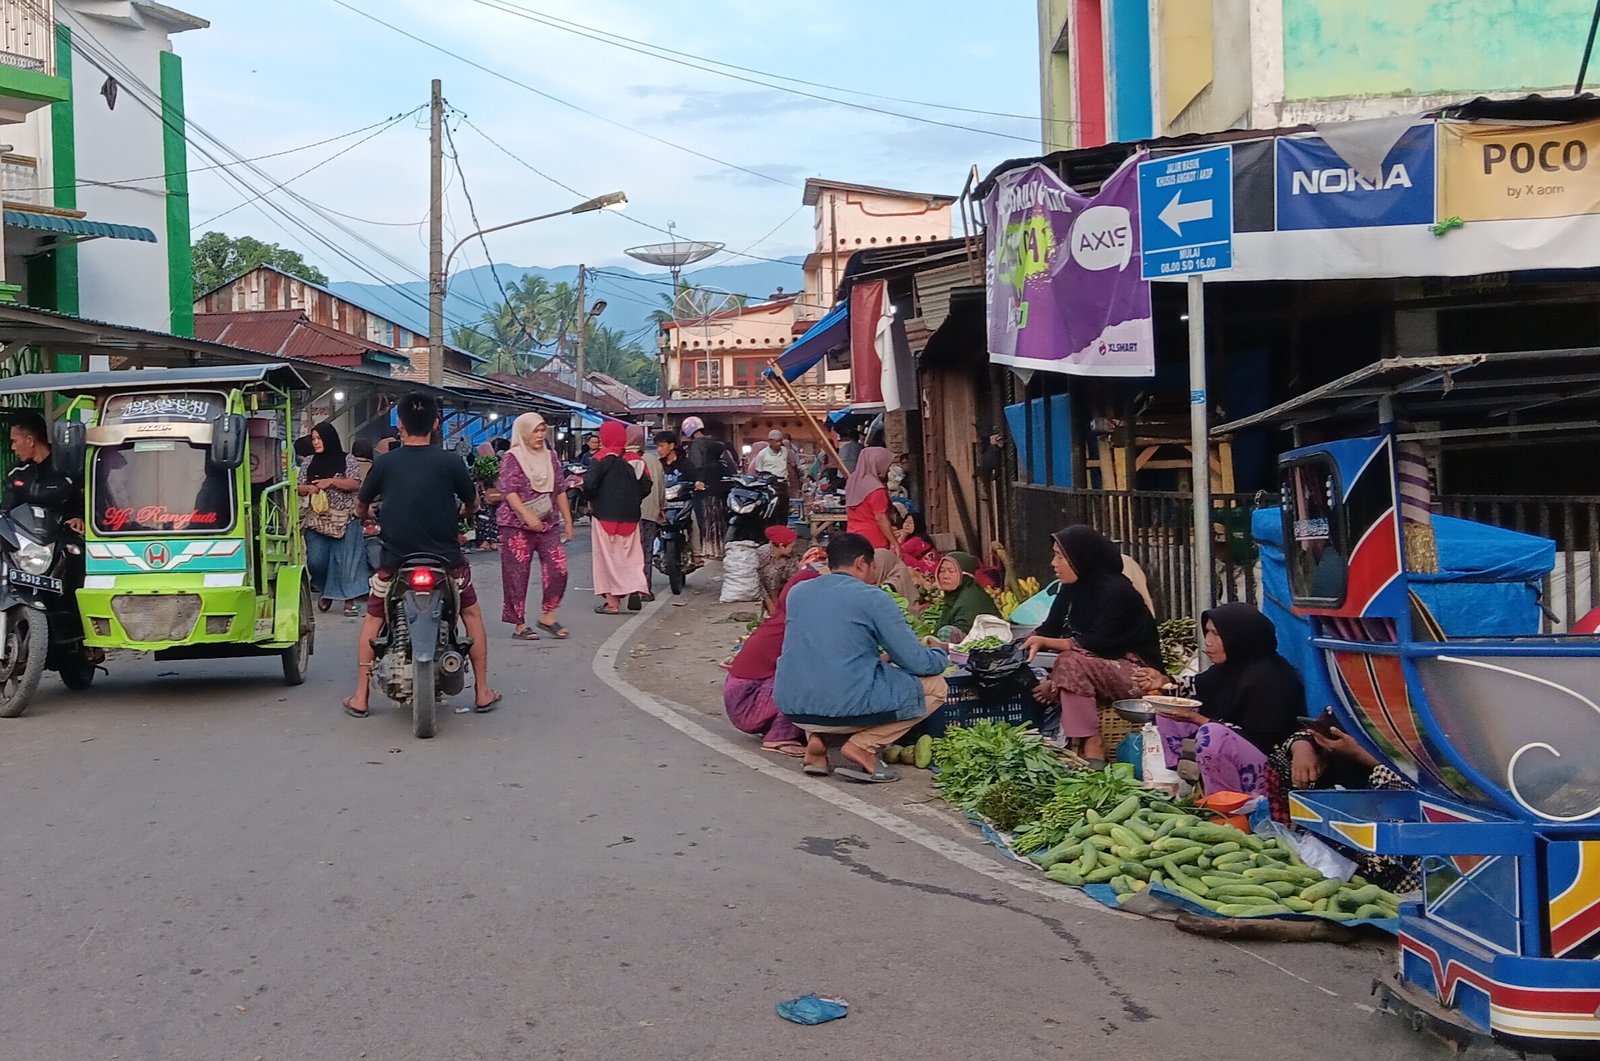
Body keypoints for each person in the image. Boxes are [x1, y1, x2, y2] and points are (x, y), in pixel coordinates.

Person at [347, 393, 499, 718]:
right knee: (470, 615)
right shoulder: (451, 462)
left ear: (399, 424)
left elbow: (361, 505)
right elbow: (472, 503)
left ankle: (361, 696)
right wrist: (466, 511)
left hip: (395, 563)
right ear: (435, 424)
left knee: (374, 618)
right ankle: (483, 691)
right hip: (447, 562)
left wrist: (367, 514)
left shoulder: (385, 463)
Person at [775, 533, 950, 783]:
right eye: (874, 567)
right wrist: (939, 654)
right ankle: (863, 746)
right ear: (861, 563)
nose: (874, 573)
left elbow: (826, 648)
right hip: (843, 701)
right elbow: (915, 662)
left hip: (794, 706)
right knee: (936, 687)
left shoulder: (798, 592)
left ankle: (818, 742)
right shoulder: (872, 597)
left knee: (832, 680)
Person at [1022, 525, 1161, 764]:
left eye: (1060, 556)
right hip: (1093, 666)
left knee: (1069, 661)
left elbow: (1097, 643)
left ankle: (1092, 742)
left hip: (1137, 673)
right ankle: (1075, 743)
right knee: (1054, 666)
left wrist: (1054, 678)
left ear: (1081, 557)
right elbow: (1048, 628)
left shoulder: (1117, 592)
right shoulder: (1071, 590)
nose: (1053, 563)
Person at [1143, 603, 1304, 797]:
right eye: (1207, 632)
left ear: (1241, 636)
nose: (1208, 642)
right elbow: (1196, 685)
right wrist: (1164, 681)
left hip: (1266, 770)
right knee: (1166, 712)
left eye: (1217, 634)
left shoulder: (1271, 677)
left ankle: (1224, 803)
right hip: (1230, 747)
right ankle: (1189, 781)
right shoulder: (1229, 668)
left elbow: (1264, 740)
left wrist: (1201, 721)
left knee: (1212, 735)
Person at [724, 567, 820, 757]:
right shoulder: (795, 628)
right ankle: (779, 735)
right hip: (746, 702)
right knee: (812, 676)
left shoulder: (783, 619)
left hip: (742, 696)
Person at [498, 412, 575, 641]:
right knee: (516, 574)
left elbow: (559, 489)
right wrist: (526, 516)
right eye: (536, 430)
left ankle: (548, 615)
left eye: (543, 430)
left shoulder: (550, 456)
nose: (540, 435)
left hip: (547, 523)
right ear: (524, 432)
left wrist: (568, 522)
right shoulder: (513, 457)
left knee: (558, 568)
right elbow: (509, 492)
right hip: (516, 525)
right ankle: (519, 625)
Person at [298, 422, 369, 617]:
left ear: (329, 438)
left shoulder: (348, 460)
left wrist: (331, 481)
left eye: (319, 438)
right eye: (313, 439)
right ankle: (327, 591)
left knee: (347, 562)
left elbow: (355, 483)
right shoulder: (309, 462)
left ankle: (349, 601)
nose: (316, 442)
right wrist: (309, 489)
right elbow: (298, 486)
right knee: (316, 561)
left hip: (345, 518)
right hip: (317, 520)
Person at [585, 420, 652, 615]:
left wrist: (593, 500)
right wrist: (633, 498)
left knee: (607, 559)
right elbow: (646, 485)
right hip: (631, 516)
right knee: (631, 556)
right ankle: (634, 587)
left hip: (604, 515)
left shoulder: (600, 457)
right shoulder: (636, 459)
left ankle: (612, 603)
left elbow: (589, 484)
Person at [6, 410, 81, 531]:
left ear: (30, 440)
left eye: (15, 441)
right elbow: (7, 510)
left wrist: (79, 518)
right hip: (26, 542)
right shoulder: (15, 472)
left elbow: (87, 504)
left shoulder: (70, 469)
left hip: (64, 540)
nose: (13, 447)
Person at [681, 416, 735, 561]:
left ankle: (707, 549)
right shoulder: (716, 443)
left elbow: (695, 466)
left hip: (703, 488)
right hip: (721, 489)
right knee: (720, 520)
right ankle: (720, 548)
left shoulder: (695, 446)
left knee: (703, 521)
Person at [932, 551, 1000, 642]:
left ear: (964, 575)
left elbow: (963, 631)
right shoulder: (953, 595)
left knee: (946, 633)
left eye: (951, 571)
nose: (945, 576)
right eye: (942, 571)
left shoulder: (971, 597)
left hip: (982, 646)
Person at [845, 446, 897, 553]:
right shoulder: (876, 489)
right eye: (887, 465)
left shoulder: (852, 481)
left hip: (852, 537)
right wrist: (895, 543)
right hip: (873, 540)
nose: (888, 469)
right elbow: (880, 518)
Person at [635, 425, 664, 608]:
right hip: (650, 512)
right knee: (646, 551)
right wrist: (662, 507)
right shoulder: (653, 461)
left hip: (629, 514)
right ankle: (644, 588)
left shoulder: (623, 458)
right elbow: (660, 485)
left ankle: (630, 588)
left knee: (631, 552)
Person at [746, 429, 792, 529]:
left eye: (780, 441)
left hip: (782, 484)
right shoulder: (762, 454)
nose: (779, 443)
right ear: (770, 441)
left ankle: (782, 531)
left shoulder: (784, 451)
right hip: (770, 485)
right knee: (771, 511)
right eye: (776, 441)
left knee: (783, 510)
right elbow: (759, 470)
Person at [756, 525, 800, 613]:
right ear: (781, 546)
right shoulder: (763, 554)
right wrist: (769, 602)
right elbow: (757, 580)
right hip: (767, 589)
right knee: (772, 572)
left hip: (783, 588)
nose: (793, 549)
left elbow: (793, 578)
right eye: (791, 547)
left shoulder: (791, 557)